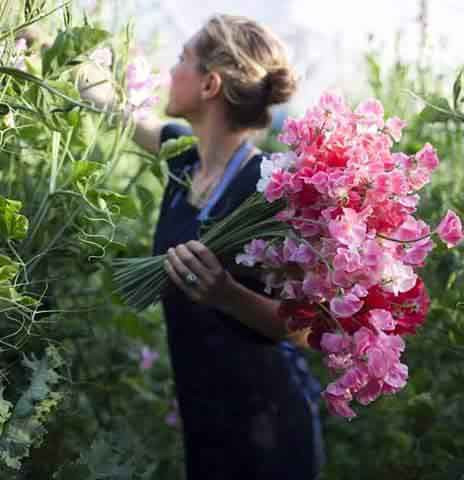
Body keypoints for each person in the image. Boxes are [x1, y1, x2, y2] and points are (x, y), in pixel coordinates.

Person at [81, 14, 325, 479]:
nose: (170, 72)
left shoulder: (268, 189)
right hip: (205, 414)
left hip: (267, 425)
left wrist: (226, 294)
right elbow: (118, 111)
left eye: (182, 60)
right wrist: (56, 47)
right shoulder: (183, 159)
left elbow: (308, 327)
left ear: (210, 83)